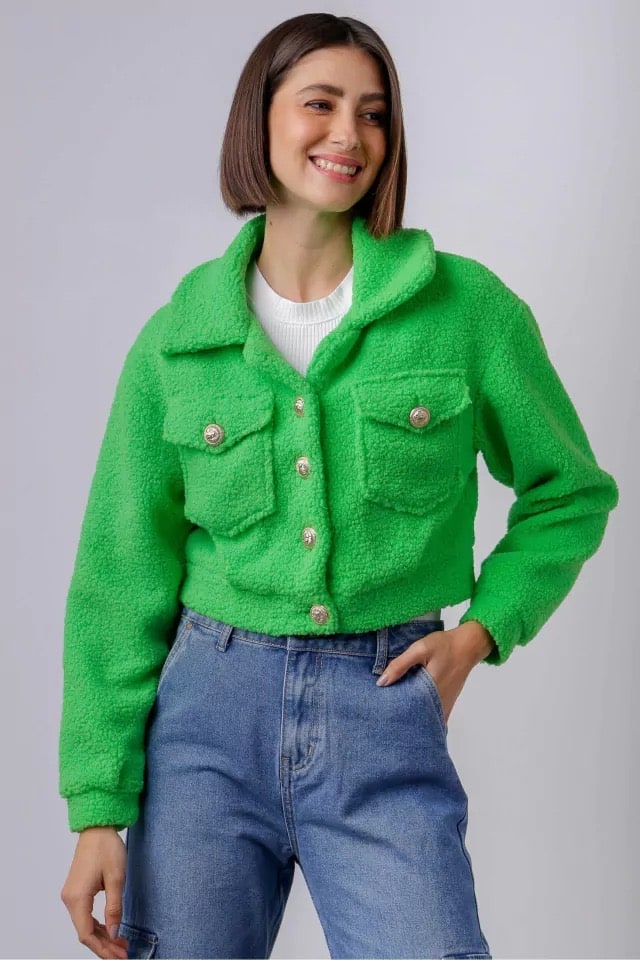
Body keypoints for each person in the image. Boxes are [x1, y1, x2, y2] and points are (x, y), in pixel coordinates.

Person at [58, 12, 619, 960]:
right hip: (204, 729)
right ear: (260, 119)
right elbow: (119, 579)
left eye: (373, 113)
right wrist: (97, 808)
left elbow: (570, 492)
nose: (348, 135)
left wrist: (480, 632)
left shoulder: (466, 311)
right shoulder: (177, 342)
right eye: (319, 104)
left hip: (384, 709)